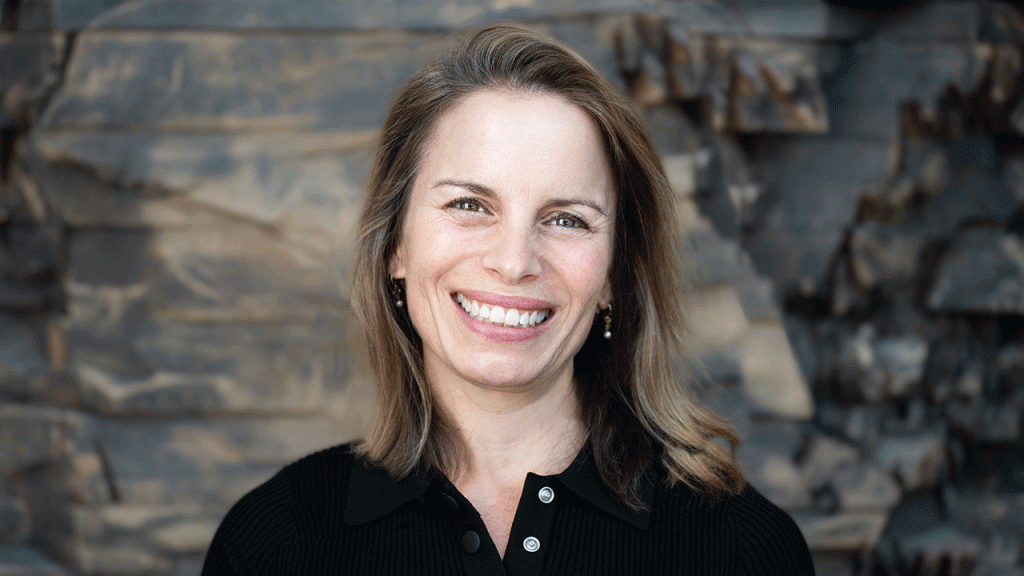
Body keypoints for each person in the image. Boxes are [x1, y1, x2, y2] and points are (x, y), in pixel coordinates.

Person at [202, 24, 816, 575]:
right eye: (470, 205)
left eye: (568, 219)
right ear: (397, 246)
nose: (515, 261)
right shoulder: (274, 543)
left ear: (613, 276)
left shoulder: (742, 550)